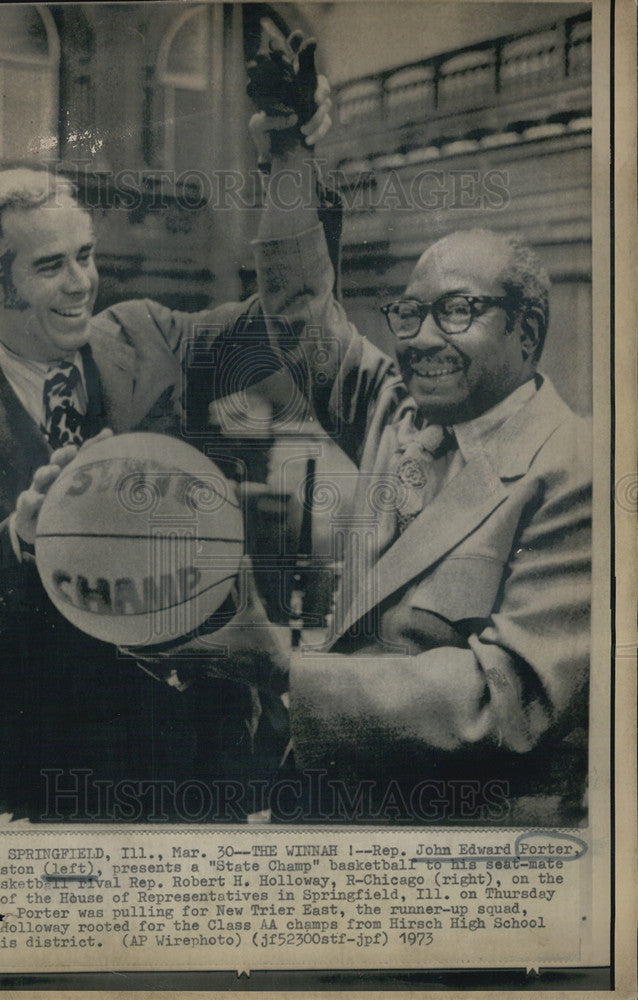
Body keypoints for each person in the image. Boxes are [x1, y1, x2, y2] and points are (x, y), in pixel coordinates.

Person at [0, 84, 332, 821]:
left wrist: (289, 165)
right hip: (63, 780)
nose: (83, 282)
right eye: (51, 266)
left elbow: (285, 320)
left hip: (209, 754)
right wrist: (20, 539)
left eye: (85, 256)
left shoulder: (148, 335)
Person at [244, 106, 592, 825]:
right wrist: (284, 152)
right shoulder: (399, 416)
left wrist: (289, 675)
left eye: (457, 312)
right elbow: (301, 313)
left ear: (527, 331)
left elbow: (504, 695)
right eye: (408, 314)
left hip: (456, 852)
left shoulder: (576, 469)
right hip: (331, 820)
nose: (421, 340)